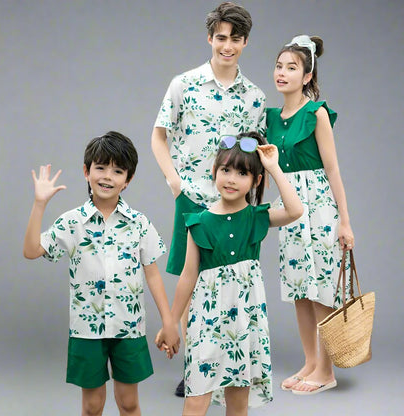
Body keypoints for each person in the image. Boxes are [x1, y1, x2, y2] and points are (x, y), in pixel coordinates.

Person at [151, 1, 266, 396]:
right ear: (209, 38)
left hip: (235, 205)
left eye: (235, 39)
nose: (227, 46)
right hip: (194, 199)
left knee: (229, 285)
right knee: (194, 282)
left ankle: (232, 367)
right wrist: (174, 181)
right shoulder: (184, 84)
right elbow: (159, 135)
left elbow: (257, 154)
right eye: (221, 38)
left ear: (245, 42)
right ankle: (196, 370)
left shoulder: (254, 97)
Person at [23, 131, 180, 416]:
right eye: (100, 167)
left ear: (128, 179)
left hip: (129, 328)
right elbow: (32, 250)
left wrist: (169, 321)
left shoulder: (139, 223)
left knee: (129, 404)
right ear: (86, 171)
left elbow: (153, 274)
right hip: (86, 331)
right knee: (92, 406)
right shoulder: (71, 223)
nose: (108, 176)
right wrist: (39, 204)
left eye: (118, 170)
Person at [157, 131, 303, 415]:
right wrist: (172, 322)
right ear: (214, 171)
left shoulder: (256, 217)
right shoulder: (199, 222)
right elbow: (188, 276)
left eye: (242, 173)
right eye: (225, 170)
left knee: (238, 402)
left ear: (256, 181)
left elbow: (295, 209)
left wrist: (273, 166)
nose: (232, 179)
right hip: (207, 324)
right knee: (197, 397)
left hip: (245, 325)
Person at [266, 35, 355, 395]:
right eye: (279, 66)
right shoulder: (271, 117)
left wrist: (345, 221)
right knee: (299, 288)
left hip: (318, 208)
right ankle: (310, 362)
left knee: (320, 289)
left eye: (292, 67)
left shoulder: (316, 113)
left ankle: (327, 370)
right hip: (288, 208)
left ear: (307, 76)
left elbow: (333, 170)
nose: (282, 73)